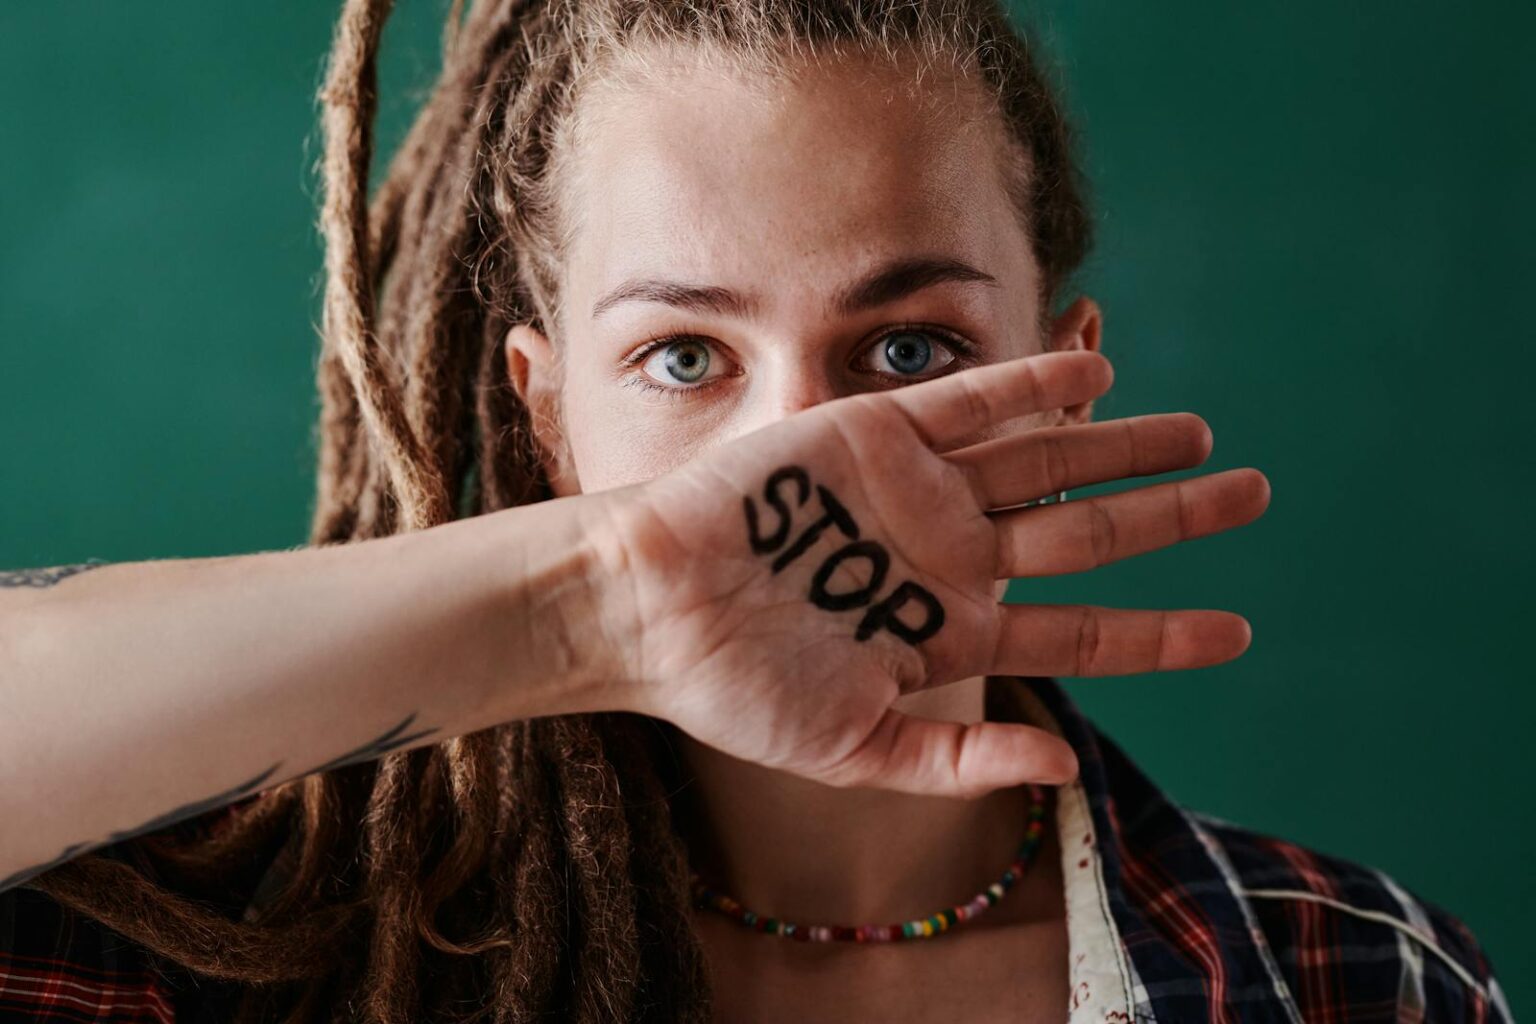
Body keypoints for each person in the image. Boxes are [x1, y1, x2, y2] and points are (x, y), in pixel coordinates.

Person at [0, 0, 1512, 1020]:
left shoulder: (1351, 976)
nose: (797, 458)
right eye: (682, 358)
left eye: (910, 349)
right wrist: (587, 598)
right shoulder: (275, 962)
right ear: (545, 411)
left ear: (1061, 376)